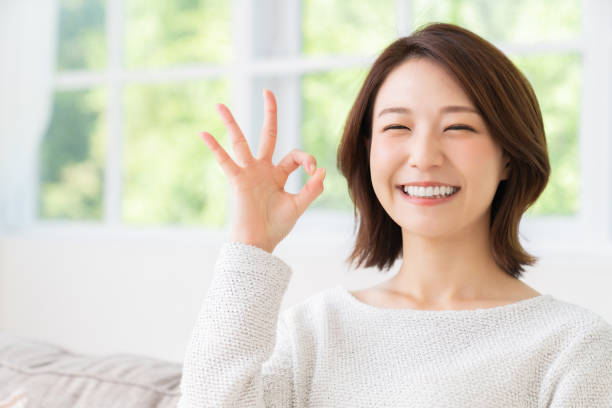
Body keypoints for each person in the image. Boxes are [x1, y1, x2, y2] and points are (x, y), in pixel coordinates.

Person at [177, 23, 612, 407]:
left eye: (458, 127)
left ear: (509, 158)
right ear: (367, 152)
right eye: (397, 127)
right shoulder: (318, 331)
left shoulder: (574, 347)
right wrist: (251, 245)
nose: (423, 157)